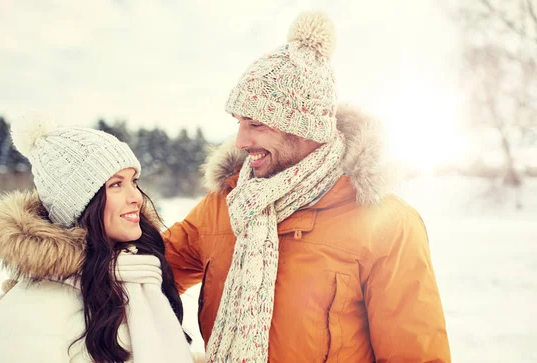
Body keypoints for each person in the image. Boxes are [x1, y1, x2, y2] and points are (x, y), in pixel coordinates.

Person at [163, 11, 451, 363]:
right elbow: (142, 273)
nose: (240, 140)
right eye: (238, 123)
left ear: (304, 128)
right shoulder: (225, 204)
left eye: (255, 124)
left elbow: (416, 355)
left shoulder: (388, 225)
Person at [0, 121, 199, 362]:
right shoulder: (31, 307)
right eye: (116, 184)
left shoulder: (138, 277)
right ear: (80, 205)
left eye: (134, 181)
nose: (136, 197)